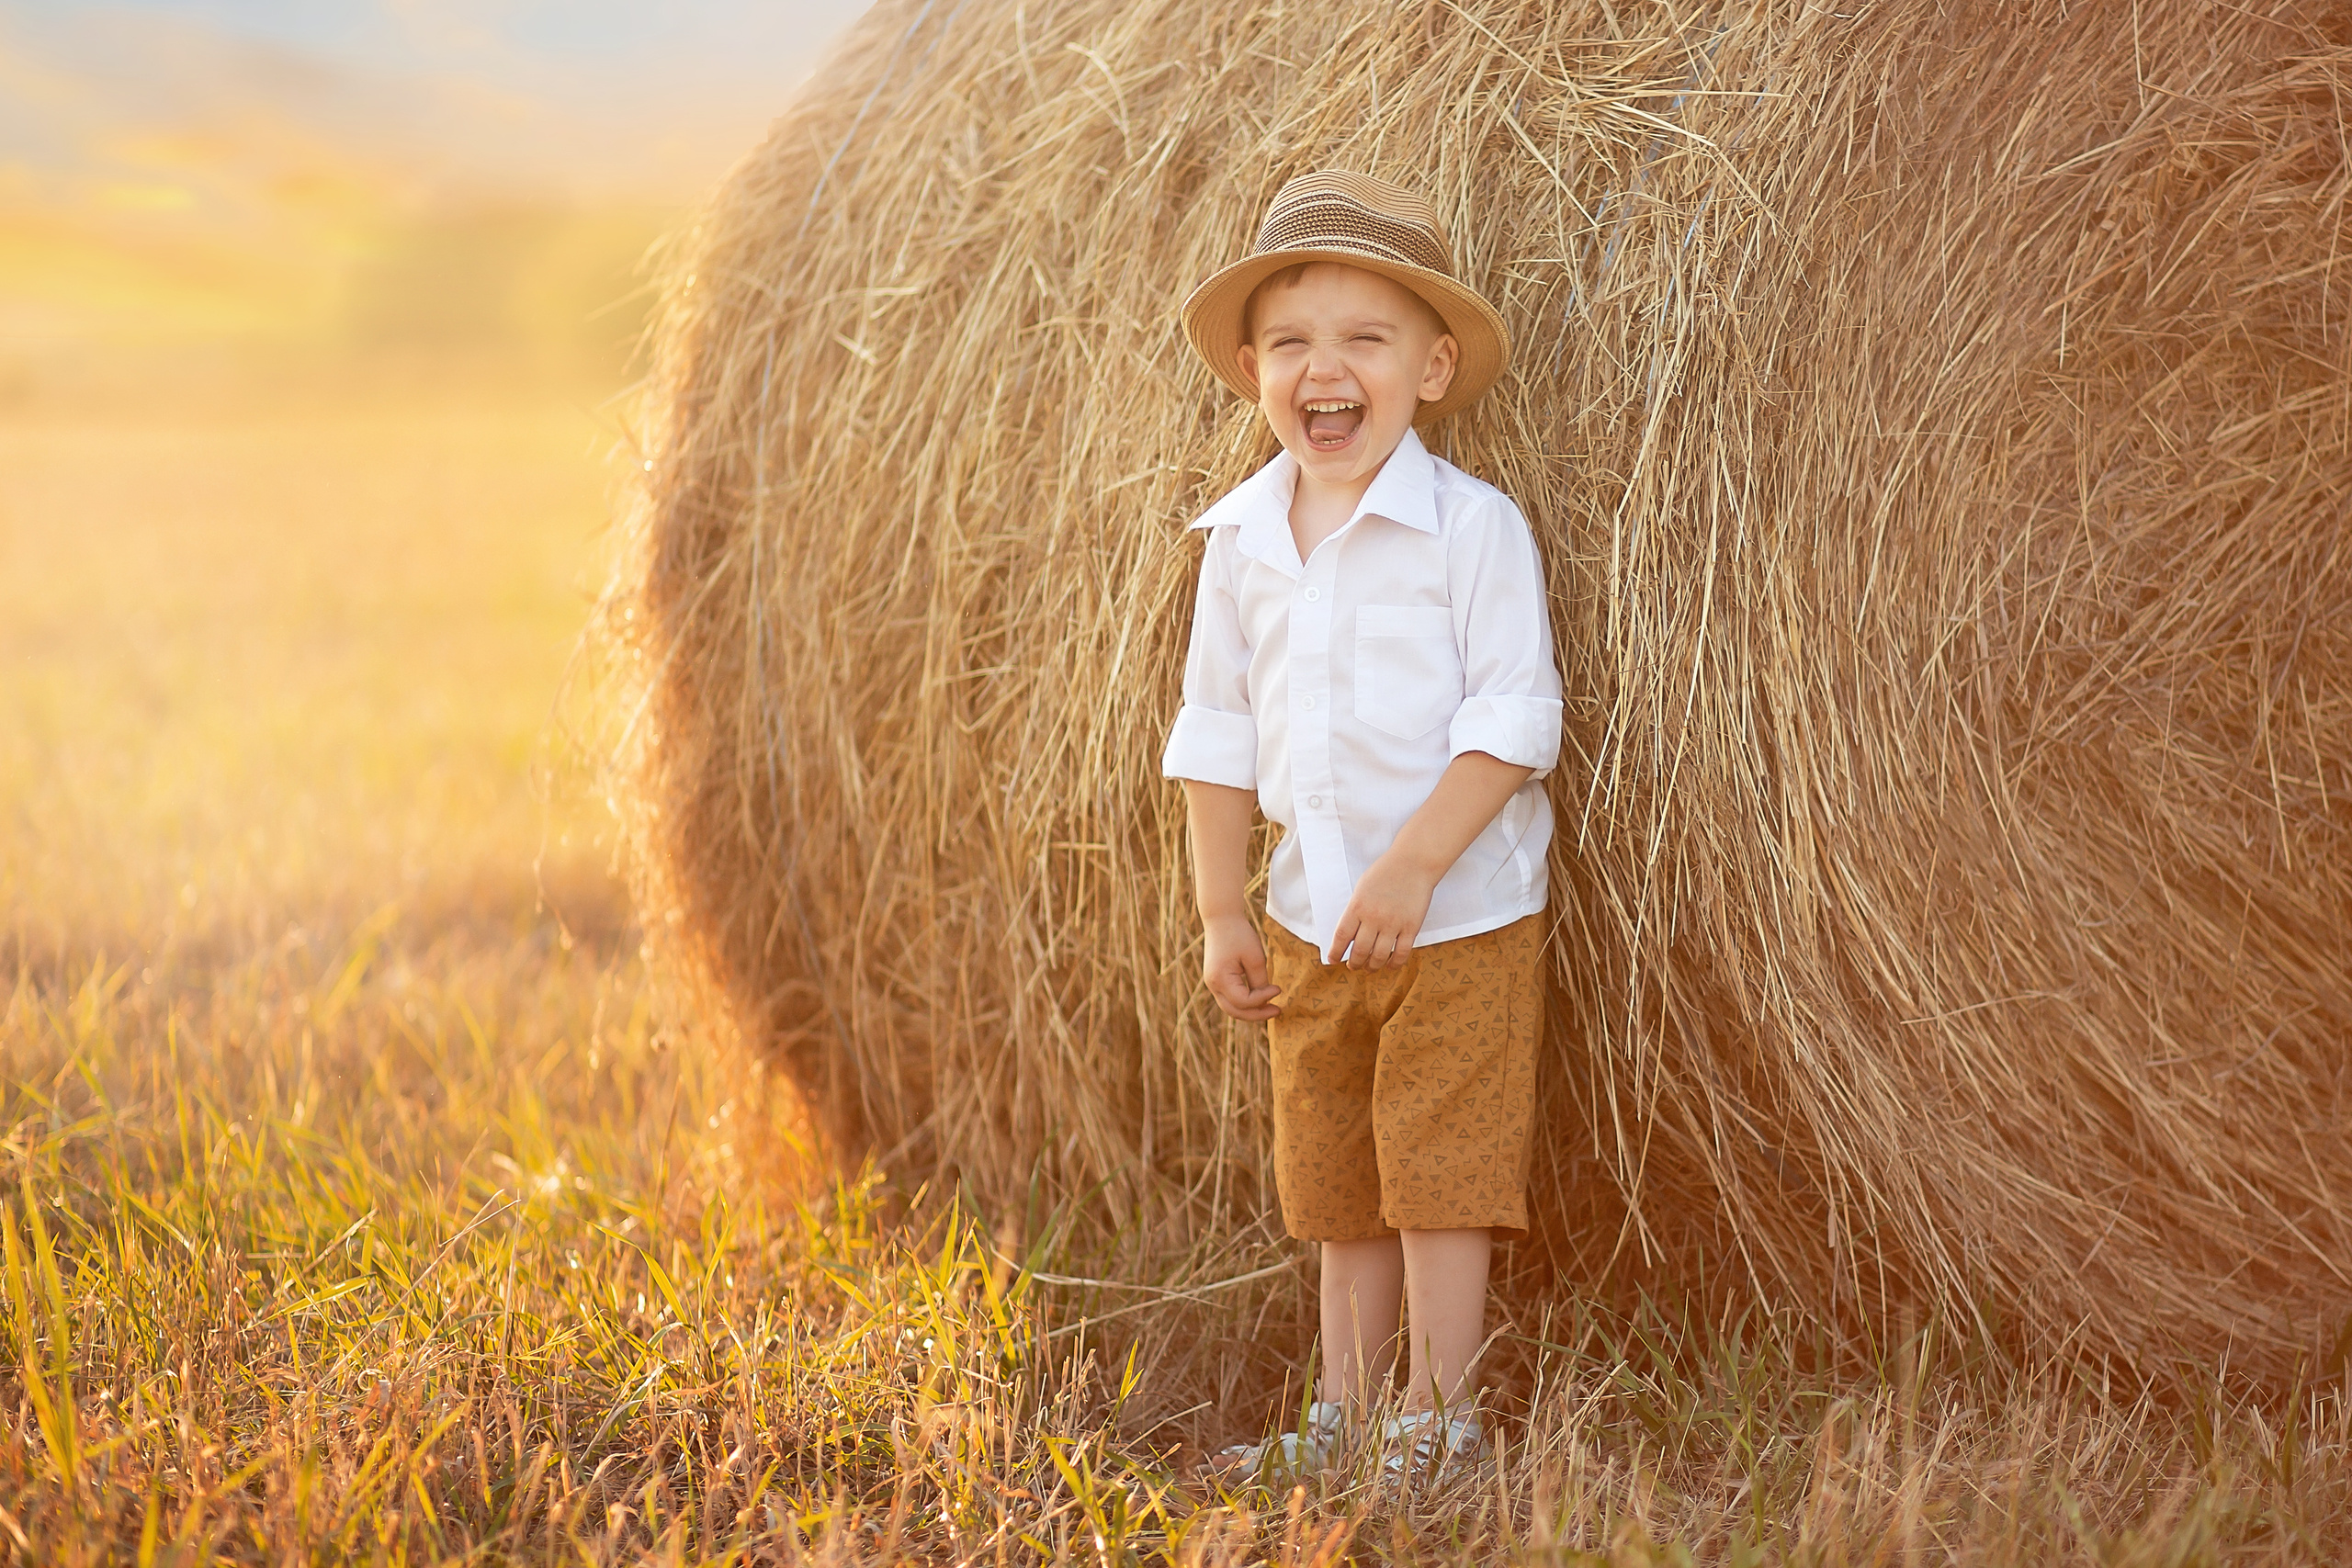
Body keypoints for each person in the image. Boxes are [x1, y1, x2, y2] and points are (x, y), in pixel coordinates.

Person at [1160, 170, 1562, 1480]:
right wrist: (1224, 906)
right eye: (1291, 344)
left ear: (1432, 369)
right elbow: (1214, 734)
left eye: (1364, 340)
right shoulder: (1238, 545)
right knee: (1335, 1179)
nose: (1324, 371)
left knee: (1440, 1171)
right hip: (1304, 920)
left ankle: (1438, 1424)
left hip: (1459, 919)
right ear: (1250, 369)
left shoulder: (1471, 532)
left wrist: (1413, 868)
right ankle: (1343, 1416)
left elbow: (1513, 718)